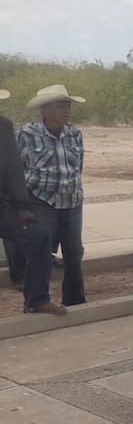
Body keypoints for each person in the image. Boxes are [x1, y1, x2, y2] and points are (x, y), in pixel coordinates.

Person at [17, 85, 87, 306]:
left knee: (74, 254)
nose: (67, 110)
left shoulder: (75, 134)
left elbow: (78, 168)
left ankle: (75, 302)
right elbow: (16, 171)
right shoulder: (27, 135)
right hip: (41, 202)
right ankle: (37, 302)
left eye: (68, 106)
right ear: (45, 110)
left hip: (72, 202)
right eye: (61, 106)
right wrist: (22, 205)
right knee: (41, 253)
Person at [0, 88, 59, 315]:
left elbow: (13, 169)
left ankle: (36, 300)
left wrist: (22, 206)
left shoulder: (3, 127)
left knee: (39, 235)